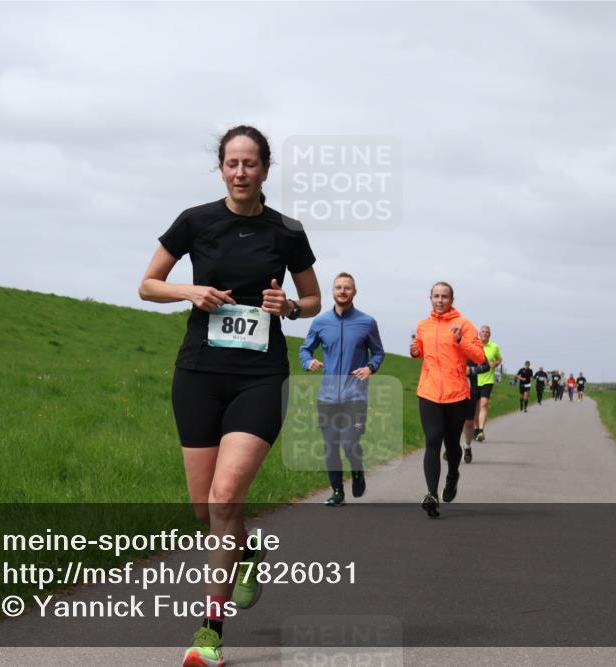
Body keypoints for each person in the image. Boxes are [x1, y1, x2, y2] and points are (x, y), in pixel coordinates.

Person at [138, 125, 321, 667]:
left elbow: (311, 298)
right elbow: (148, 284)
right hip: (198, 373)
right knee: (204, 507)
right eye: (232, 163)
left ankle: (209, 632)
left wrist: (288, 307)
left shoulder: (287, 230)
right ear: (221, 168)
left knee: (224, 498)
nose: (241, 173)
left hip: (261, 378)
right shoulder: (195, 221)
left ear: (266, 169)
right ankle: (246, 554)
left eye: (251, 164)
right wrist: (190, 291)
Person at [299, 272, 385, 507]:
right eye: (338, 287)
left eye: (347, 288)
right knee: (330, 446)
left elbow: (378, 352)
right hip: (327, 396)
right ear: (333, 291)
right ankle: (337, 492)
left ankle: (357, 471)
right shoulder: (320, 322)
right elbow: (305, 350)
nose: (343, 291)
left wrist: (370, 367)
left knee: (349, 443)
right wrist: (308, 362)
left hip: (355, 395)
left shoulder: (367, 322)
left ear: (354, 292)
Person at [410, 282, 486, 517]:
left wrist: (461, 339)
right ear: (430, 298)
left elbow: (479, 356)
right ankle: (431, 495)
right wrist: (415, 351)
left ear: (452, 299)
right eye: (436, 296)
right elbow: (421, 352)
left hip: (456, 393)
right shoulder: (423, 325)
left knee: (452, 444)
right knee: (433, 440)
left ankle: (452, 476)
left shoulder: (463, 324)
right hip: (429, 392)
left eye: (444, 296)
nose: (440, 300)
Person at [472, 325, 502, 442]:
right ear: (479, 333)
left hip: (488, 380)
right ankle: (475, 429)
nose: (485, 333)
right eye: (483, 331)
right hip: (474, 379)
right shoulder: (474, 345)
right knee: (474, 407)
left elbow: (499, 358)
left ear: (490, 334)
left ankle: (481, 430)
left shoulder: (494, 346)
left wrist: (496, 363)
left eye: (487, 332)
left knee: (484, 404)